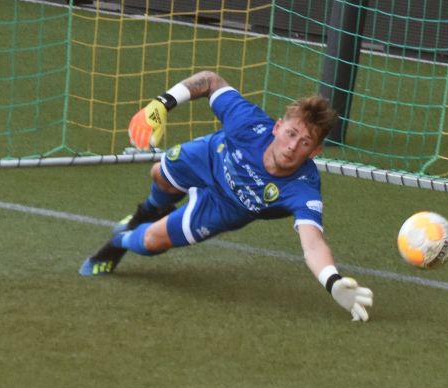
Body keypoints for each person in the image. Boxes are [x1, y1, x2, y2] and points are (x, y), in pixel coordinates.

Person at [79, 70, 373, 321]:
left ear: (315, 151)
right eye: (291, 133)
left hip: (223, 208)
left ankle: (118, 241)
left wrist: (332, 281)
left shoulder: (304, 189)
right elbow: (209, 80)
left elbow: (313, 244)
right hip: (210, 157)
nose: (292, 146)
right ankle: (149, 209)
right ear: (278, 127)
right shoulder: (247, 123)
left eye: (305, 141)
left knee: (149, 243)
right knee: (159, 173)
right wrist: (161, 104)